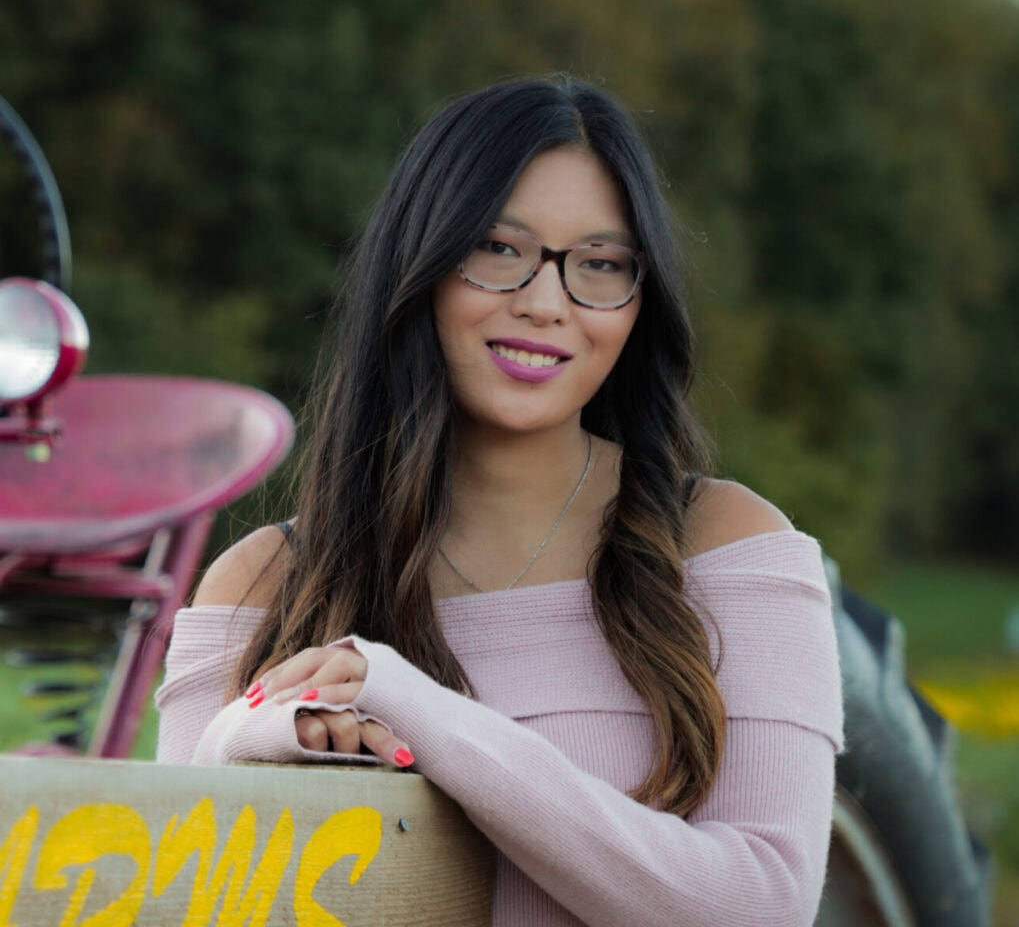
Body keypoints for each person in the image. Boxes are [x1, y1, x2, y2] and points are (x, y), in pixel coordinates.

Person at [155, 77, 843, 926]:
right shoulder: (265, 579)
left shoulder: (722, 544)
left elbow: (760, 905)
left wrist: (422, 715)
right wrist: (245, 740)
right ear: (420, 265)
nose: (546, 303)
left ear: (640, 300)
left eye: (600, 265)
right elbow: (176, 892)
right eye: (496, 248)